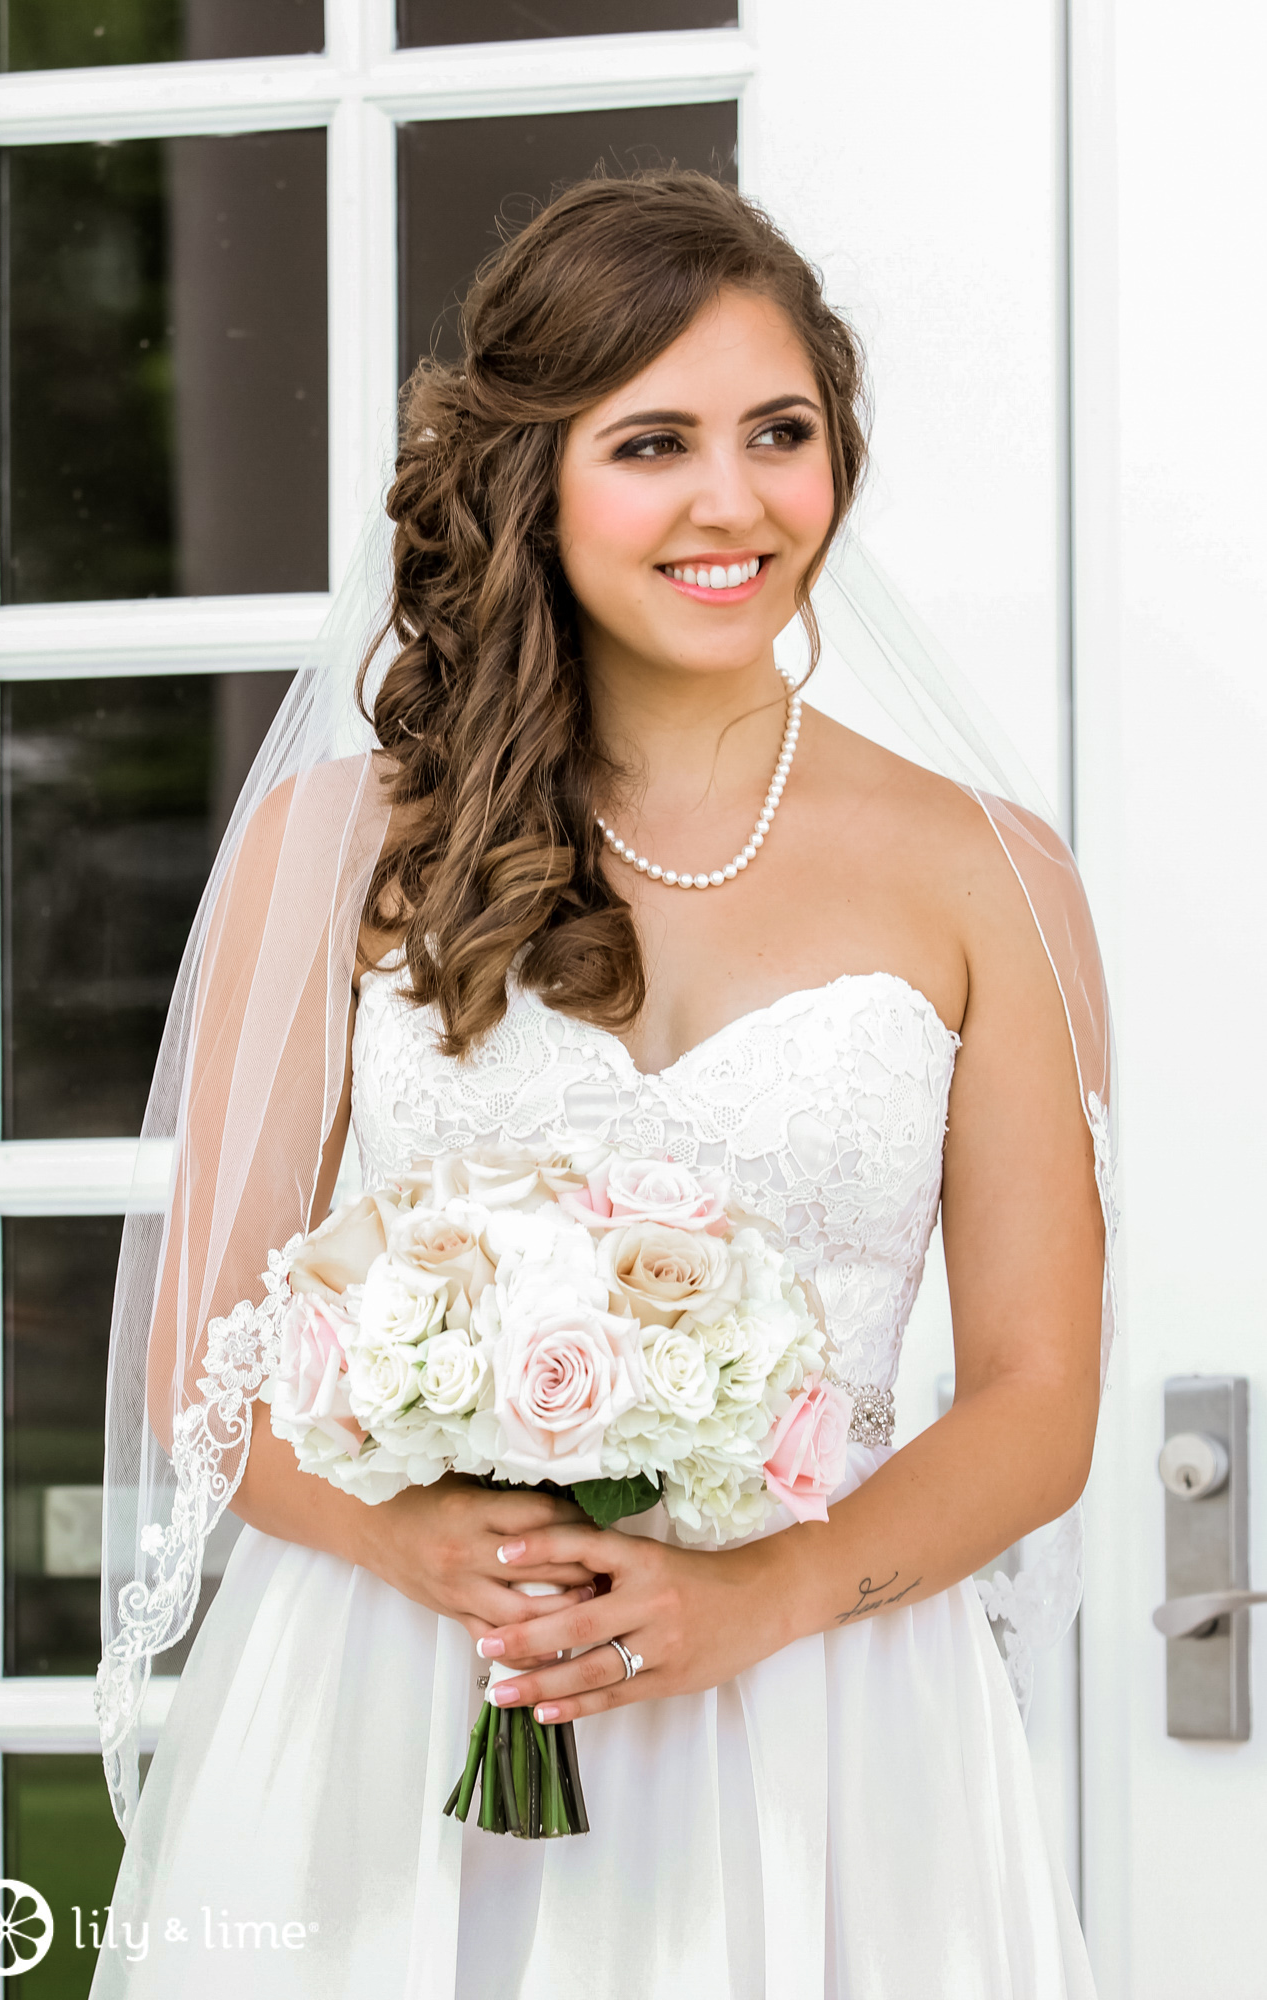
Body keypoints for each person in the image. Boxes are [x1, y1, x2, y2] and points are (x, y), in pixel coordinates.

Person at [93, 171, 1110, 1999]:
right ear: (529, 482)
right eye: (653, 442)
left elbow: (1037, 1401)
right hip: (403, 1701)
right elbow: (205, 1363)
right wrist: (415, 1544)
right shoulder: (336, 853)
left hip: (829, 1718)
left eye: (780, 433)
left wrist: (764, 1596)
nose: (734, 504)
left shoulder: (991, 875)